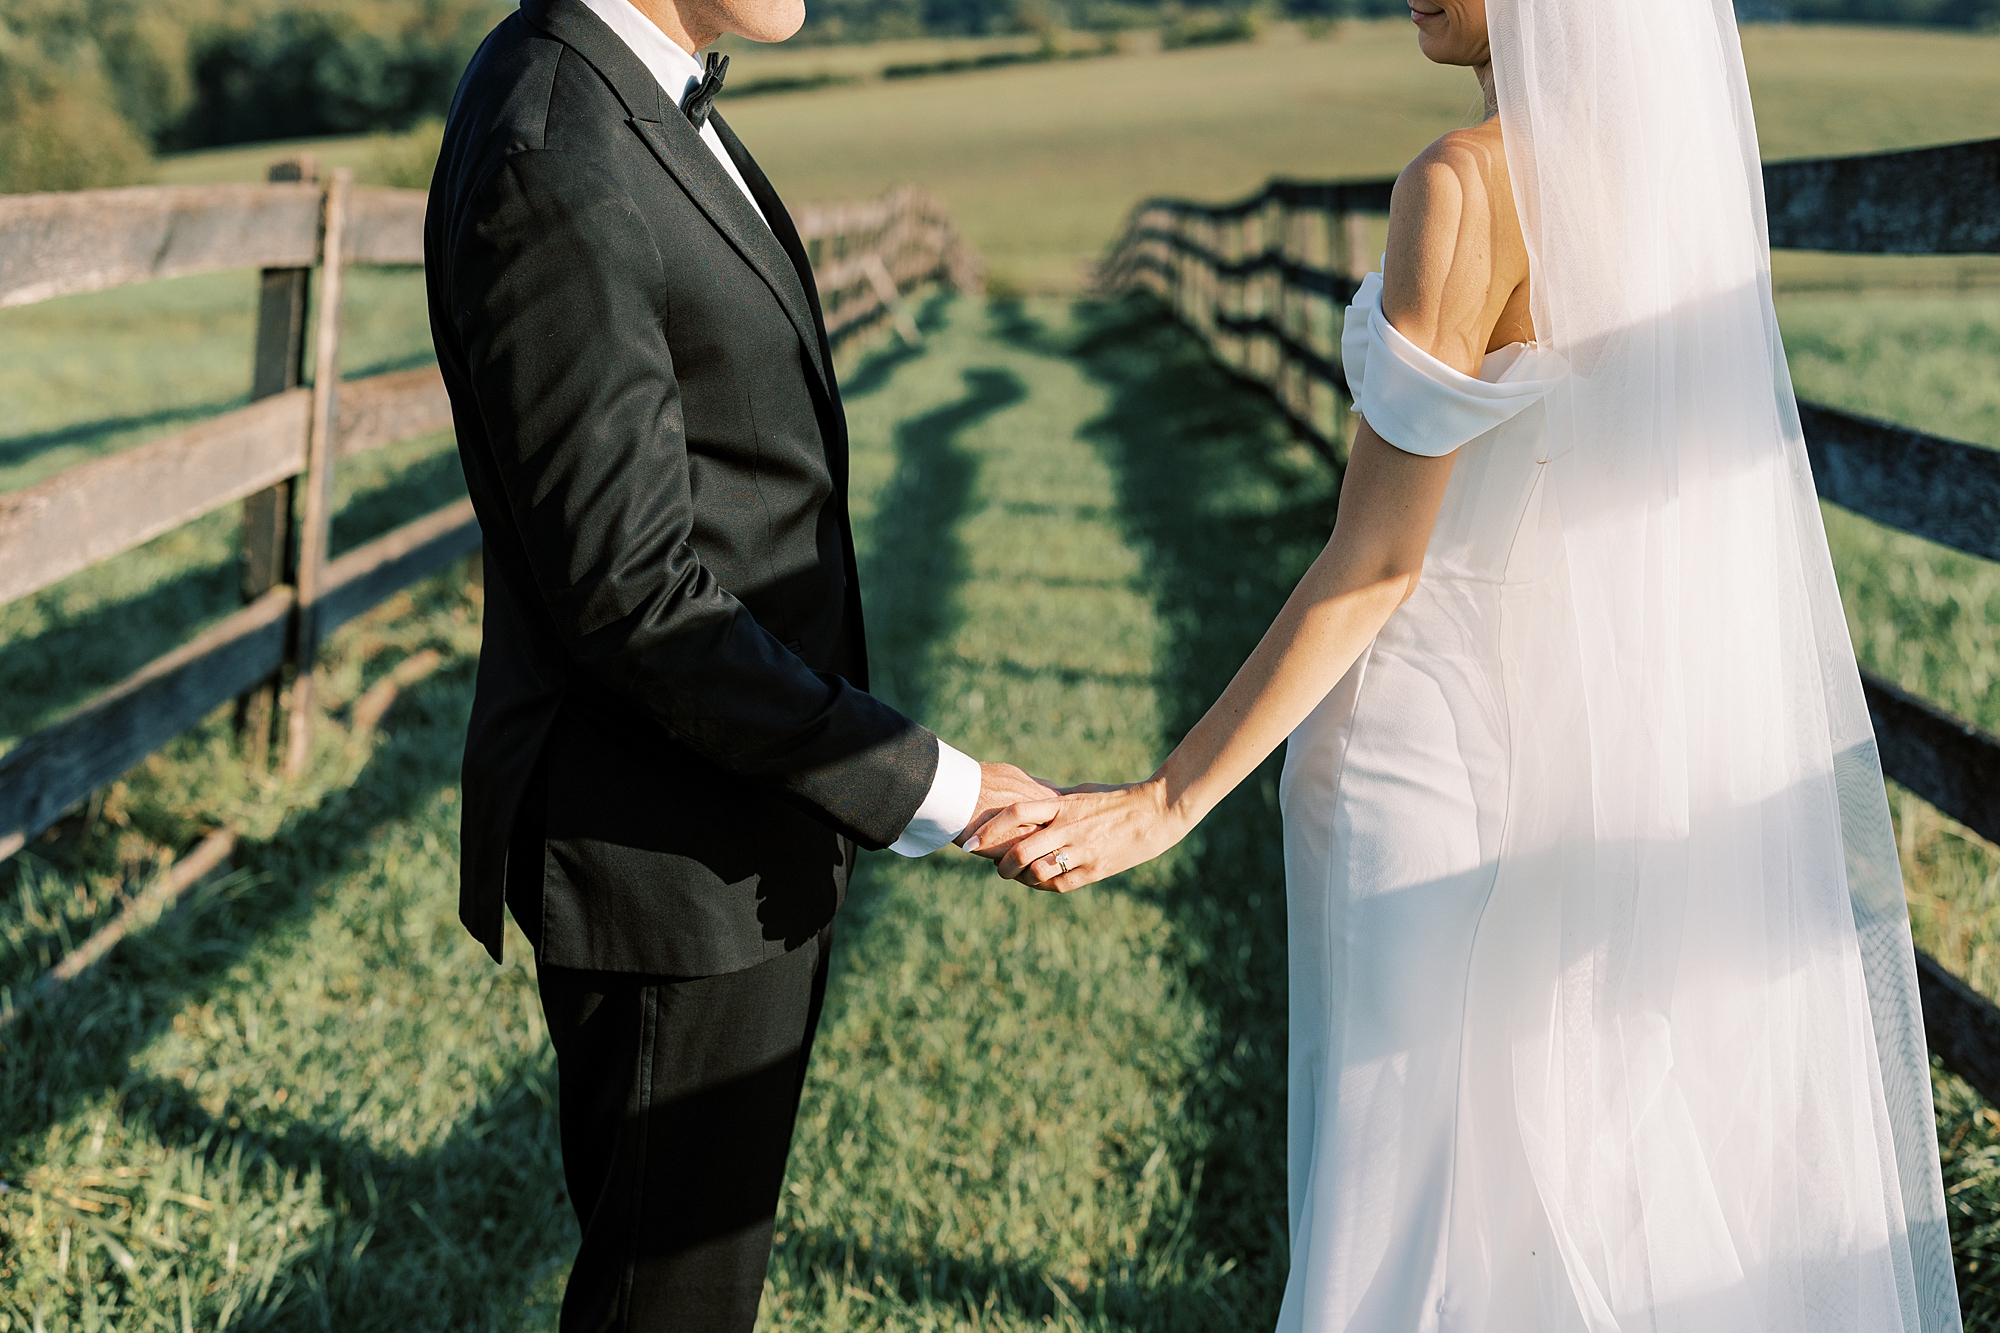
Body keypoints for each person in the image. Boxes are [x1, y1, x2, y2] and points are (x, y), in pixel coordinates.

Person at [968, 0, 1962, 1328]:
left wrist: (1163, 800)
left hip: (1420, 745)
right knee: (1575, 1155)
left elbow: (1376, 562)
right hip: (1602, 741)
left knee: (1406, 1190)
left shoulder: (1461, 185)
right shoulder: (1674, 187)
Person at [423, 0, 1054, 1326]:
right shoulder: (558, 146)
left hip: (730, 814)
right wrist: (926, 782)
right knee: (671, 1302)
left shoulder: (632, 92)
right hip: (662, 850)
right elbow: (635, 594)